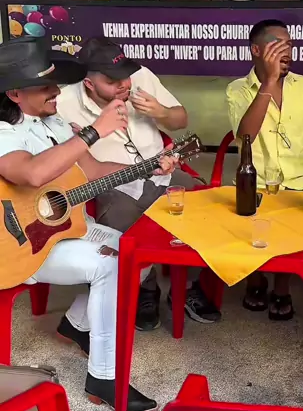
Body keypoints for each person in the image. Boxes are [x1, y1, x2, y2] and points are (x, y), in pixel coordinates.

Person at [0, 37, 176, 411]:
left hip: (60, 231)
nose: (55, 92)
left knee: (138, 251)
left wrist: (148, 168)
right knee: (109, 263)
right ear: (14, 93)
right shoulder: (3, 132)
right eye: (45, 86)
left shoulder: (54, 122)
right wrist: (94, 131)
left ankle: (76, 324)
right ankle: (104, 378)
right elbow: (32, 174)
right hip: (18, 245)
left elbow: (92, 171)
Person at [57, 38, 220, 329]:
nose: (124, 85)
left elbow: (180, 119)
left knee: (202, 204)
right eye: (112, 81)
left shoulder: (141, 77)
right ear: (89, 83)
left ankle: (187, 286)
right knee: (120, 218)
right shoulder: (63, 103)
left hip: (162, 170)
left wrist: (161, 112)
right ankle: (147, 287)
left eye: (125, 75)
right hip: (109, 182)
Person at [226, 18, 303, 320]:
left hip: (298, 181)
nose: (286, 51)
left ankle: (281, 287)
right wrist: (269, 83)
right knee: (248, 227)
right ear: (256, 50)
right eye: (277, 44)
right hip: (255, 182)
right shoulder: (238, 89)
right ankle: (255, 280)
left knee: (295, 228)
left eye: (290, 45)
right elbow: (245, 136)